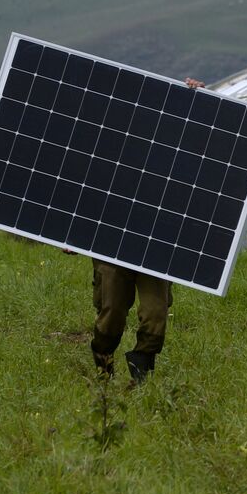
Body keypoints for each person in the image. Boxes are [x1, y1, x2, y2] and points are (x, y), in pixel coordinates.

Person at [88, 76, 204, 384]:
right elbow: (84, 188)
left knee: (155, 315)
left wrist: (198, 101)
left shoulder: (169, 148)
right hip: (112, 241)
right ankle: (103, 363)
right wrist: (75, 234)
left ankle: (141, 375)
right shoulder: (107, 145)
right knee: (111, 312)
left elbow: (198, 146)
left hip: (155, 244)